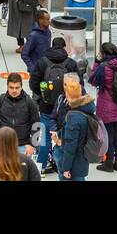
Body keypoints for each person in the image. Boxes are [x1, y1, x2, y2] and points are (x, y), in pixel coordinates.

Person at [30, 35, 78, 173]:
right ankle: (64, 164)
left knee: (44, 137)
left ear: (51, 45)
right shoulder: (70, 63)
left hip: (46, 106)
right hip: (66, 106)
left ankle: (41, 166)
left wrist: (43, 95)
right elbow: (78, 84)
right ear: (64, 47)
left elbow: (33, 83)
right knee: (65, 135)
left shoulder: (42, 62)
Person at [89, 42, 117, 172]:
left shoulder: (103, 67)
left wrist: (96, 62)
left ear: (104, 54)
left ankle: (108, 163)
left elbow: (93, 80)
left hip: (107, 106)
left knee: (109, 136)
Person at [55, 74, 99, 181]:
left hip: (73, 164)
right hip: (82, 160)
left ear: (68, 95)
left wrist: (65, 169)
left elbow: (70, 147)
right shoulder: (86, 108)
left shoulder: (73, 117)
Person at [0, 72, 41, 156]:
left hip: (24, 147)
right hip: (4, 145)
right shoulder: (1, 100)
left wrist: (32, 145)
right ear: (7, 86)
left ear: (21, 86)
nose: (14, 90)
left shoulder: (30, 102)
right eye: (11, 87)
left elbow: (37, 125)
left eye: (17, 87)